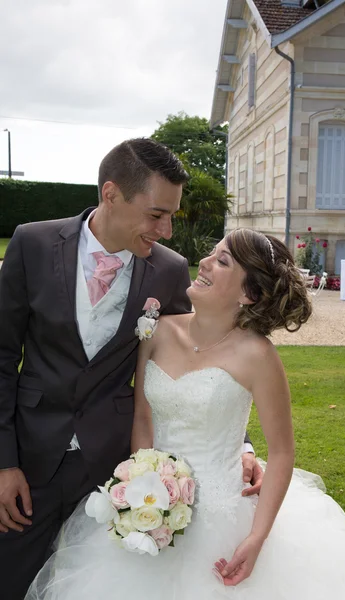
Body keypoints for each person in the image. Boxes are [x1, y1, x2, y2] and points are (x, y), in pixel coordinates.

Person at [27, 229, 345, 599]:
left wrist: (256, 537)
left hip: (225, 516)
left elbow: (283, 453)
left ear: (248, 294)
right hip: (152, 505)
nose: (204, 262)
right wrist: (141, 487)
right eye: (213, 252)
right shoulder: (156, 332)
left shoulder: (259, 357)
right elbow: (143, 417)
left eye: (222, 261)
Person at [0, 139, 261, 600]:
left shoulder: (169, 270)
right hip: (29, 457)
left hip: (115, 467)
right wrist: (3, 463)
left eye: (172, 216)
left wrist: (238, 442)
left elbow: (199, 355)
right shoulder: (32, 243)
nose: (166, 230)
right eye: (156, 214)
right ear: (111, 193)